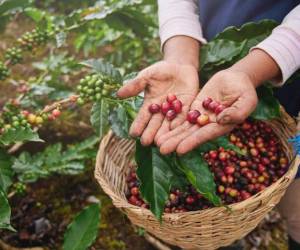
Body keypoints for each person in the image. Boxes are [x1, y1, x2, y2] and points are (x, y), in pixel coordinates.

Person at [117, 1, 300, 249]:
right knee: (215, 216)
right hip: (212, 66)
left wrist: (250, 70)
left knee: (298, 210)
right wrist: (181, 58)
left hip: (291, 74)